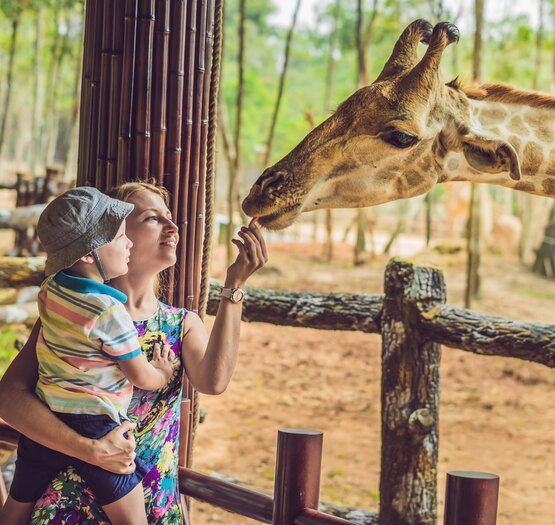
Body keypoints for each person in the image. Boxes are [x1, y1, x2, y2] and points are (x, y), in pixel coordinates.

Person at [0, 180, 268, 524]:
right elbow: (9, 397)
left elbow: (214, 381)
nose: (172, 227)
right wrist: (90, 450)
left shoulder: (180, 325)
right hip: (67, 506)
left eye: (170, 217)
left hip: (151, 503)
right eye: (152, 219)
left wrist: (235, 285)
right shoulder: (73, 316)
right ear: (112, 232)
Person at [1, 187, 180, 525]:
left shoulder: (50, 290)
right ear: (88, 253)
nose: (126, 243)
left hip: (47, 417)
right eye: (120, 237)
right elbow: (141, 377)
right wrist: (163, 370)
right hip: (98, 425)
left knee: (14, 510)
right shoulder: (109, 310)